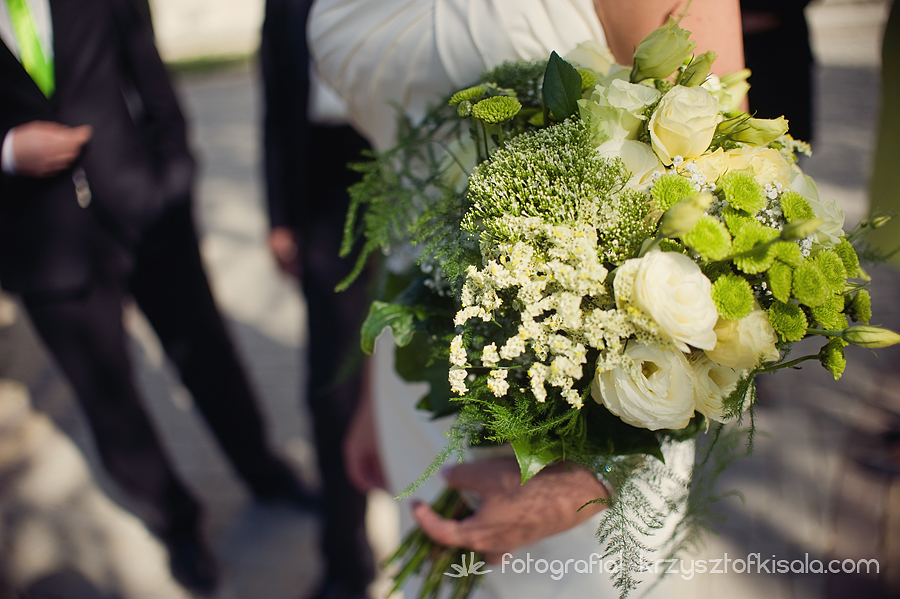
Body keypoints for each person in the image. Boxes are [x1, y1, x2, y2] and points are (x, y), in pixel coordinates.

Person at [309, 0, 744, 596]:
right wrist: (369, 390)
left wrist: (583, 480)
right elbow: (402, 179)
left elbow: (721, 201)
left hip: (594, 391)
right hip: (418, 360)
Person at [0, 0, 307, 592]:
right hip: (40, 243)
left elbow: (149, 75)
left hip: (146, 210)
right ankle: (179, 526)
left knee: (211, 360)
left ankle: (266, 473)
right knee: (109, 405)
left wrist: (175, 180)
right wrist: (8, 152)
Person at [260, 0, 375, 597]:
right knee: (332, 383)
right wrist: (281, 217)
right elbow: (276, 105)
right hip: (326, 187)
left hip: (415, 168)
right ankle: (345, 559)